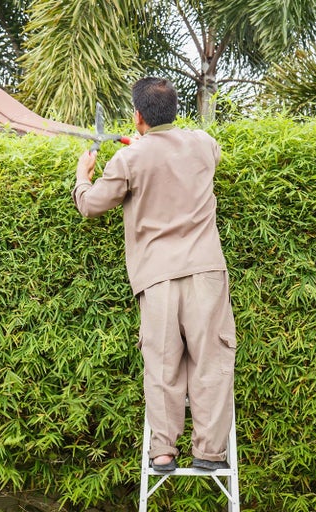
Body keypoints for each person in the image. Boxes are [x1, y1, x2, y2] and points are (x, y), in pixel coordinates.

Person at [72, 77, 236, 472]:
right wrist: (145, 141)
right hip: (205, 271)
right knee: (211, 359)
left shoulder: (130, 159)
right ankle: (210, 453)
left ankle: (163, 451)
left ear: (138, 116)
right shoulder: (202, 143)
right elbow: (203, 151)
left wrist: (83, 175)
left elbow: (92, 206)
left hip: (157, 277)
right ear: (175, 110)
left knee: (162, 363)